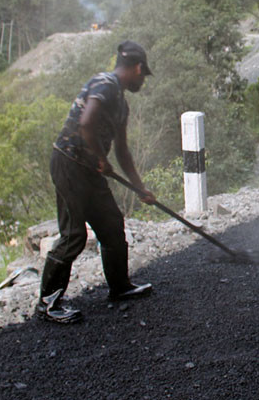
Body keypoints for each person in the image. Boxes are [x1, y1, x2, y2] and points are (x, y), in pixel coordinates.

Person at [35, 41, 156, 324]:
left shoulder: (121, 105)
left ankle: (120, 287)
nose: (142, 80)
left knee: (112, 225)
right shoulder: (105, 83)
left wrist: (139, 188)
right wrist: (100, 157)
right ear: (137, 68)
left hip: (90, 169)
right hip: (70, 163)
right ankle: (47, 303)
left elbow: (123, 152)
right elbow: (86, 123)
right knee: (74, 235)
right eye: (143, 75)